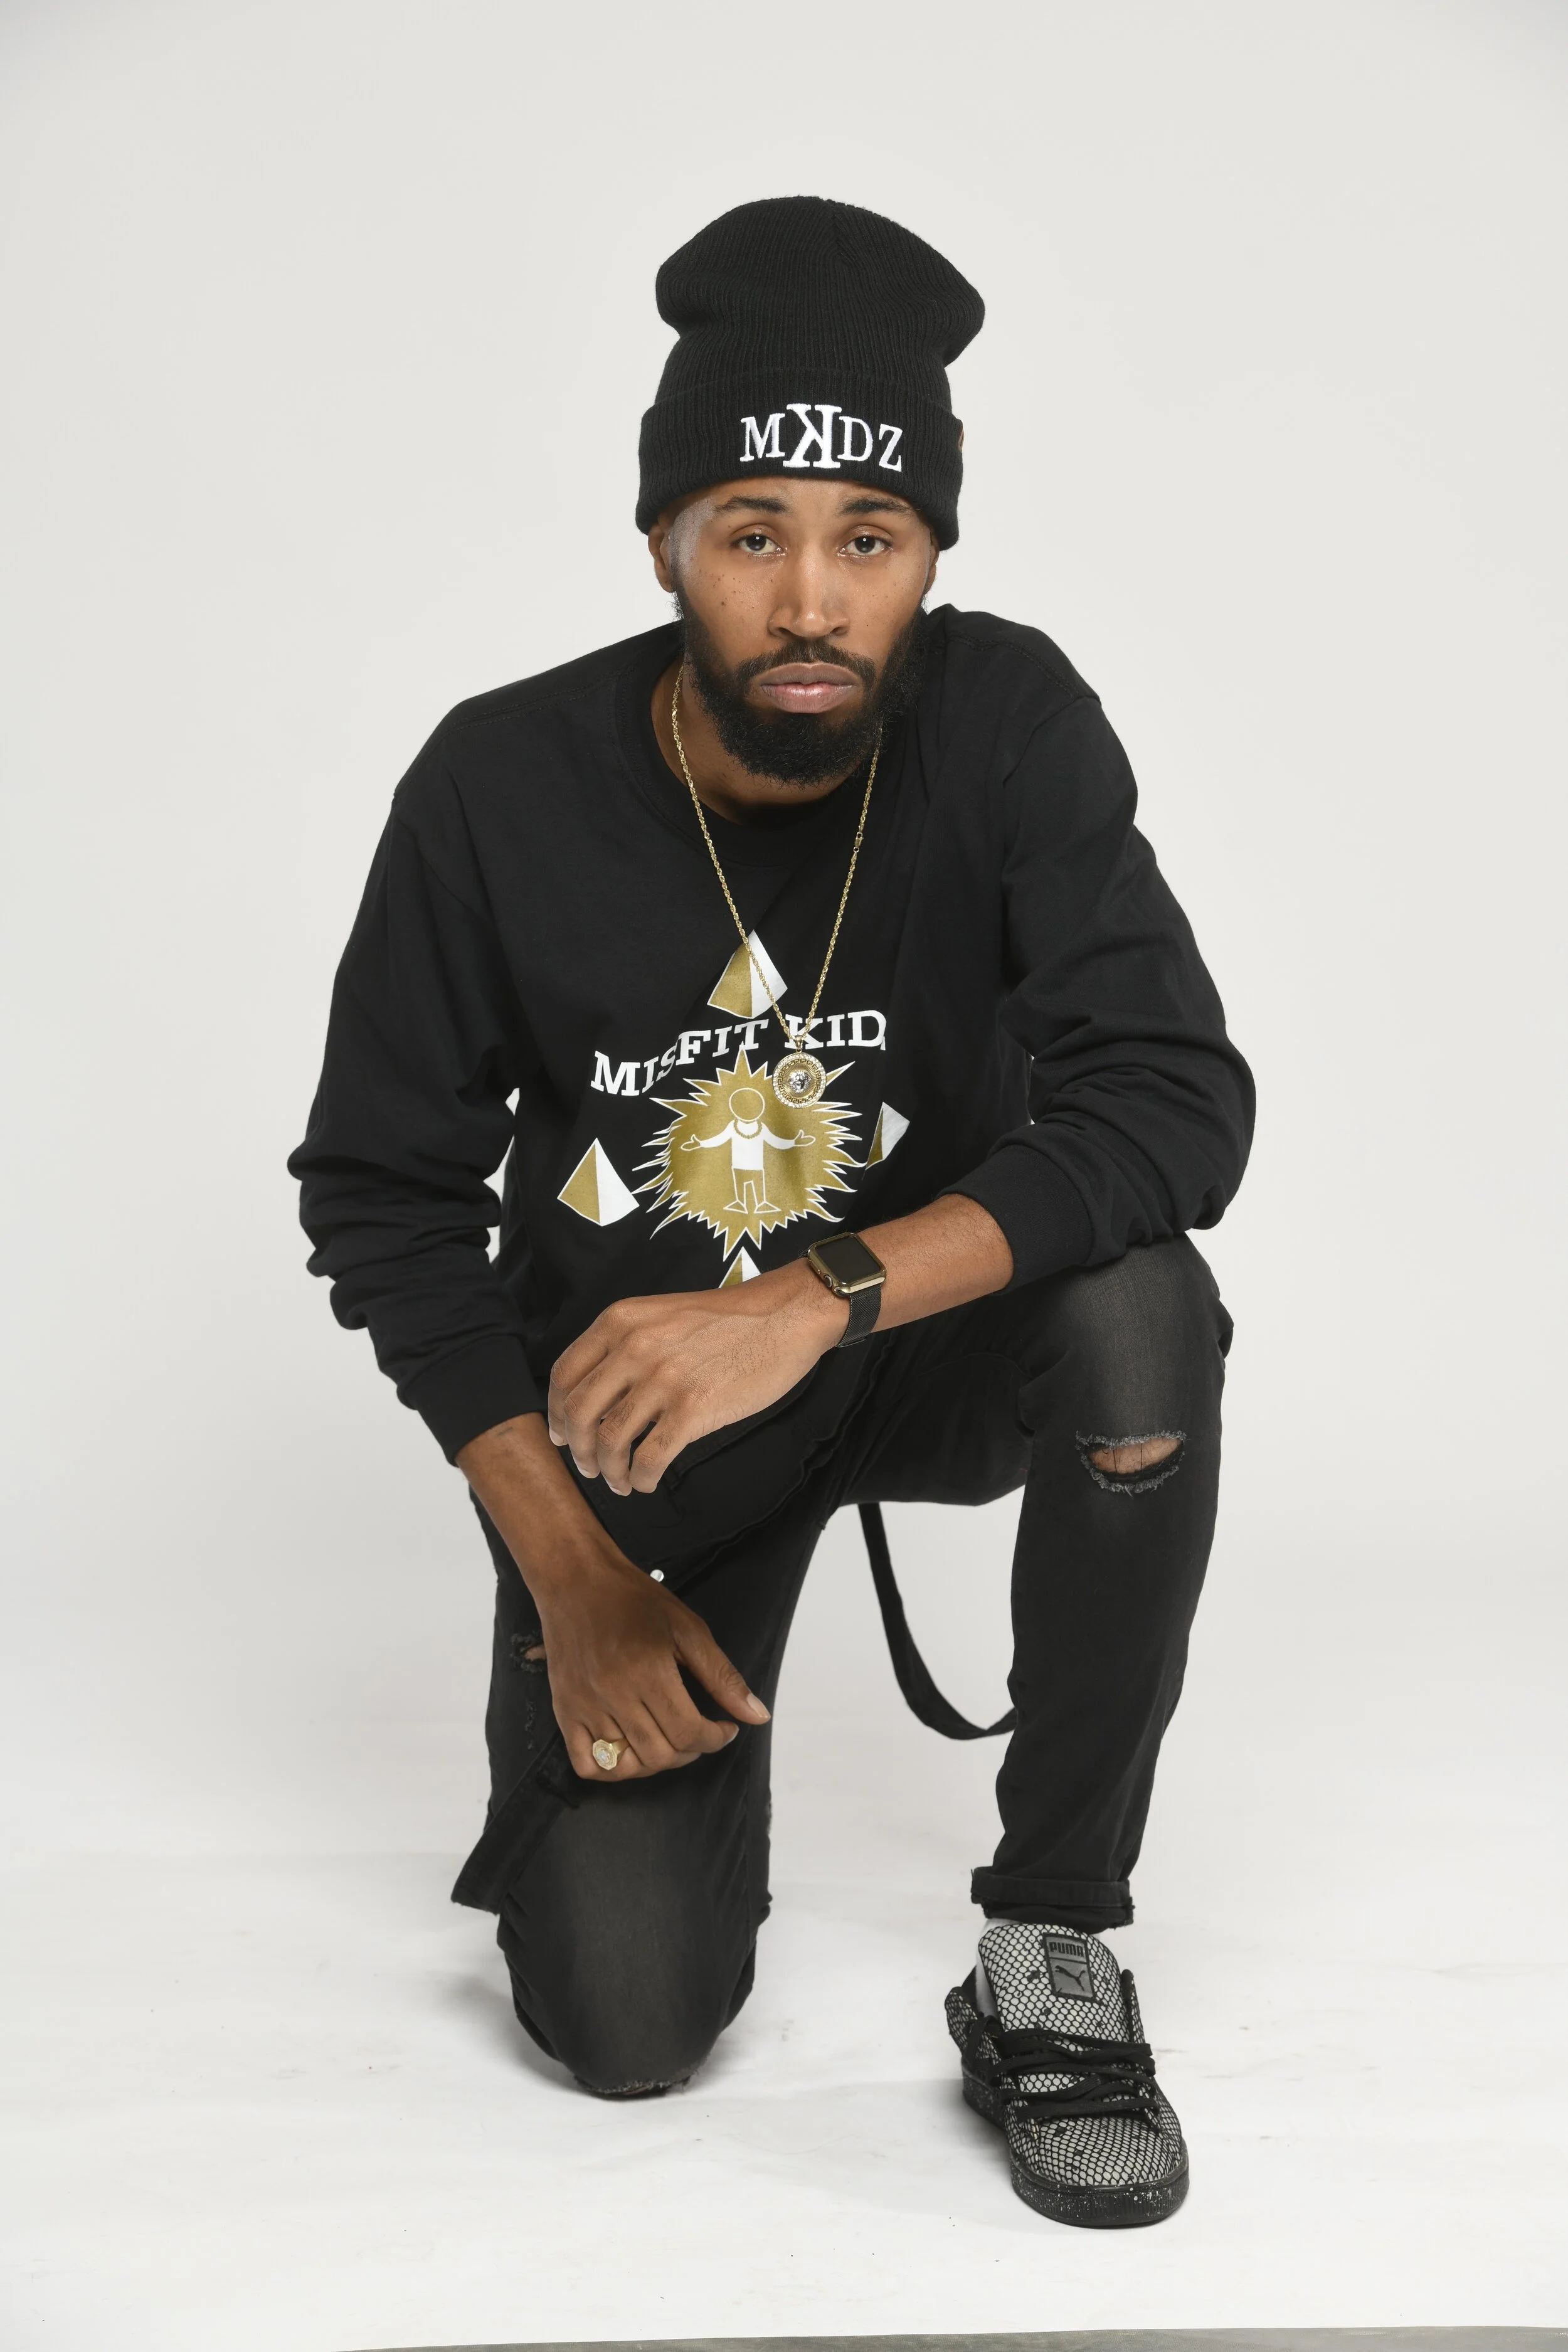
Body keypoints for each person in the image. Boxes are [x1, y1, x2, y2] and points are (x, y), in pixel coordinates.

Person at [290, 195, 1253, 2230]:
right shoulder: (496, 783)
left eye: (867, 539)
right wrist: (568, 1571)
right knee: (623, 2024)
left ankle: (1050, 1940)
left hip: (920, 1348)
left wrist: (813, 1294)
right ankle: (664, 1695)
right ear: (663, 542)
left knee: (1140, 1310)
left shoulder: (1008, 719)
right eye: (752, 533)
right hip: (644, 1425)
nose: (810, 601)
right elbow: (380, 1198)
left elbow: (1174, 1099)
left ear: (929, 559)